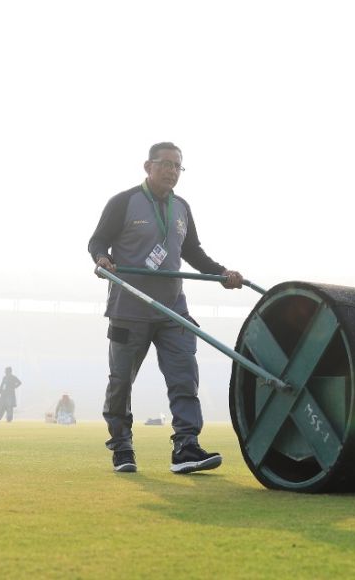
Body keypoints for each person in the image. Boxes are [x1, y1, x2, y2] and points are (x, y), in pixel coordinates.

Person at [88, 141, 243, 474]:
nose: (172, 171)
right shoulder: (123, 202)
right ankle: (122, 447)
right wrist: (102, 258)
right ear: (148, 166)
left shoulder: (182, 208)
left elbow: (194, 253)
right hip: (129, 308)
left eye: (178, 166)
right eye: (166, 164)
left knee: (185, 377)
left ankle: (186, 447)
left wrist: (221, 274)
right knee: (121, 382)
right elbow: (97, 240)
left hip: (173, 309)